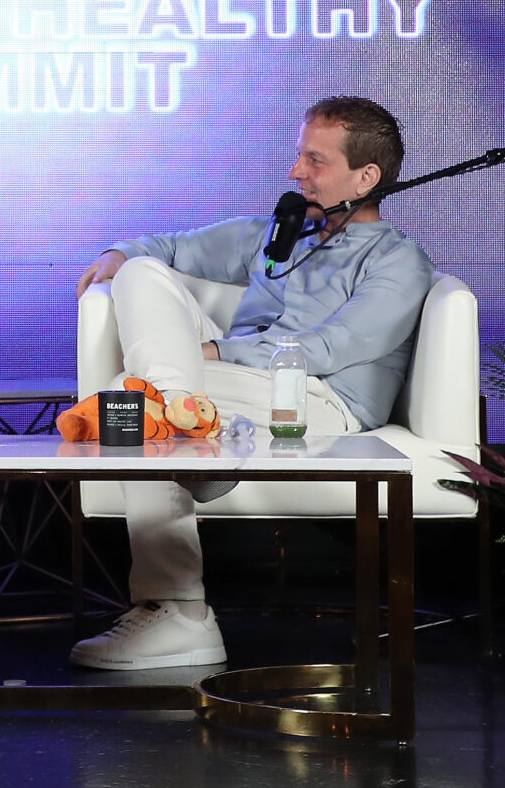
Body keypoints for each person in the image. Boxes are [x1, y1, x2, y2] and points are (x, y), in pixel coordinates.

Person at [69, 96, 436, 670]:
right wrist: (121, 254)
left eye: (315, 161)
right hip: (232, 387)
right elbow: (171, 249)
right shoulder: (279, 233)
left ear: (366, 177)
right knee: (141, 275)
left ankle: (181, 612)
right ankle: (191, 421)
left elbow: (331, 347)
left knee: (129, 399)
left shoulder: (398, 261)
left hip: (315, 399)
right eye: (299, 156)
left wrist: (219, 351)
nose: (295, 172)